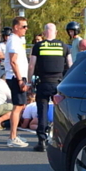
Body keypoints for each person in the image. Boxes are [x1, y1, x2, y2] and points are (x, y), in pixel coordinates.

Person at [28, 22, 72, 152]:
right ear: (56, 32)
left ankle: (41, 140)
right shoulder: (64, 46)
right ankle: (60, 140)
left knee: (42, 111)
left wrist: (29, 82)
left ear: (44, 32)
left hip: (43, 83)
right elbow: (70, 65)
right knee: (60, 112)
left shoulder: (38, 46)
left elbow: (31, 65)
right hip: (58, 83)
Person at [4, 16, 31, 147]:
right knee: (18, 106)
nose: (26, 29)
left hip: (18, 76)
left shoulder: (17, 40)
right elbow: (13, 61)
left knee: (20, 106)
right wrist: (20, 79)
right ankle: (12, 137)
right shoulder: (14, 40)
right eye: (24, 26)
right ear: (16, 27)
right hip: (15, 77)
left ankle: (14, 135)